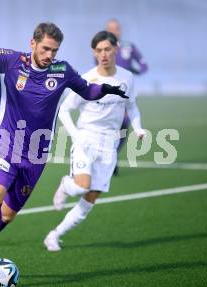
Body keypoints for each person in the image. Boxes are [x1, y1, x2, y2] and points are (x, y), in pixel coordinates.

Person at [0, 22, 128, 284]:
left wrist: (104, 89)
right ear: (33, 43)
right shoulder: (12, 61)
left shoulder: (62, 70)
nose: (49, 55)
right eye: (45, 48)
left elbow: (86, 89)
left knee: (7, 215)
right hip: (7, 142)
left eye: (54, 50)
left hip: (36, 153)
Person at [43, 30, 146, 252]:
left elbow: (132, 106)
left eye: (108, 49)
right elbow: (64, 110)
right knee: (82, 186)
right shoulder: (88, 80)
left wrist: (138, 128)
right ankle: (65, 184)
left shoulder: (127, 78)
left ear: (115, 49)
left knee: (89, 201)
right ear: (94, 52)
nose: (104, 54)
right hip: (86, 139)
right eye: (99, 50)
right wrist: (76, 135)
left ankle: (54, 235)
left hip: (110, 144)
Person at [105, 18, 148, 175]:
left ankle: (112, 156)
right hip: (108, 94)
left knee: (124, 125)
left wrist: (134, 71)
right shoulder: (102, 48)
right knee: (109, 127)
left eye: (116, 28)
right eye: (110, 28)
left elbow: (144, 66)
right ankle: (107, 158)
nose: (114, 31)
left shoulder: (129, 47)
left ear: (120, 30)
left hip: (126, 93)